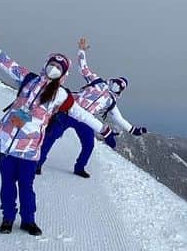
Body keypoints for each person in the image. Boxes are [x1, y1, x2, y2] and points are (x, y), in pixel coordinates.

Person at [0, 21, 104, 233]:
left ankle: (28, 220)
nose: (53, 68)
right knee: (7, 184)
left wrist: (104, 130)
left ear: (63, 73)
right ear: (46, 63)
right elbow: (3, 60)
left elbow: (82, 114)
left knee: (26, 186)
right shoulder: (28, 78)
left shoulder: (61, 95)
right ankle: (7, 218)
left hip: (29, 149)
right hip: (8, 143)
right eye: (52, 64)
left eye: (59, 67)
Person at [38, 36, 147, 178]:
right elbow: (83, 68)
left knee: (89, 145)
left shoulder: (111, 102)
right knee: (52, 135)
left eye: (119, 86)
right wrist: (81, 51)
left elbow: (120, 119)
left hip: (86, 120)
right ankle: (37, 163)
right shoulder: (97, 81)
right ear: (112, 80)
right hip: (68, 111)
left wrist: (135, 131)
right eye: (116, 82)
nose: (116, 86)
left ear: (120, 91)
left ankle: (79, 167)